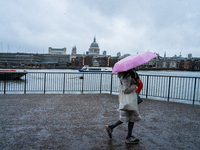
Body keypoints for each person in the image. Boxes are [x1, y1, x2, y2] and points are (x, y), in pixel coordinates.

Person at [106, 68, 141, 144]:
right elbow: (125, 90)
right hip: (129, 100)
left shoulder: (126, 75)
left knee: (126, 117)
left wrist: (135, 82)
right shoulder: (127, 76)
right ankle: (128, 137)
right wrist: (135, 85)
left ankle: (111, 127)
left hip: (127, 99)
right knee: (131, 118)